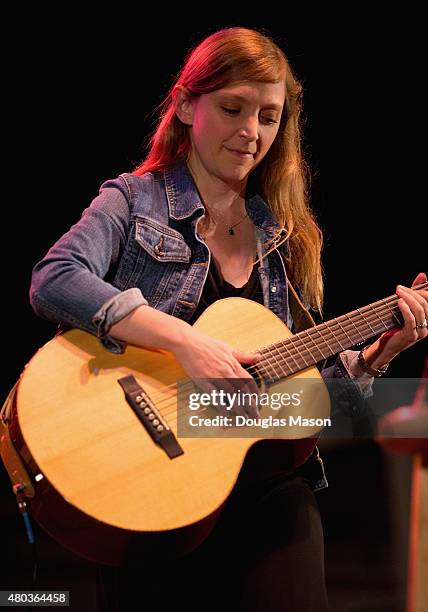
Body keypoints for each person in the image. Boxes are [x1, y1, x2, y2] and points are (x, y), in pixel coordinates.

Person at [29, 27, 427, 612]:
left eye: (268, 117)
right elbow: (54, 278)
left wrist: (378, 355)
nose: (251, 133)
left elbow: (306, 402)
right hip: (148, 489)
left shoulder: (283, 235)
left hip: (268, 493)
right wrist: (185, 343)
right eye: (233, 108)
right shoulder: (132, 201)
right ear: (188, 105)